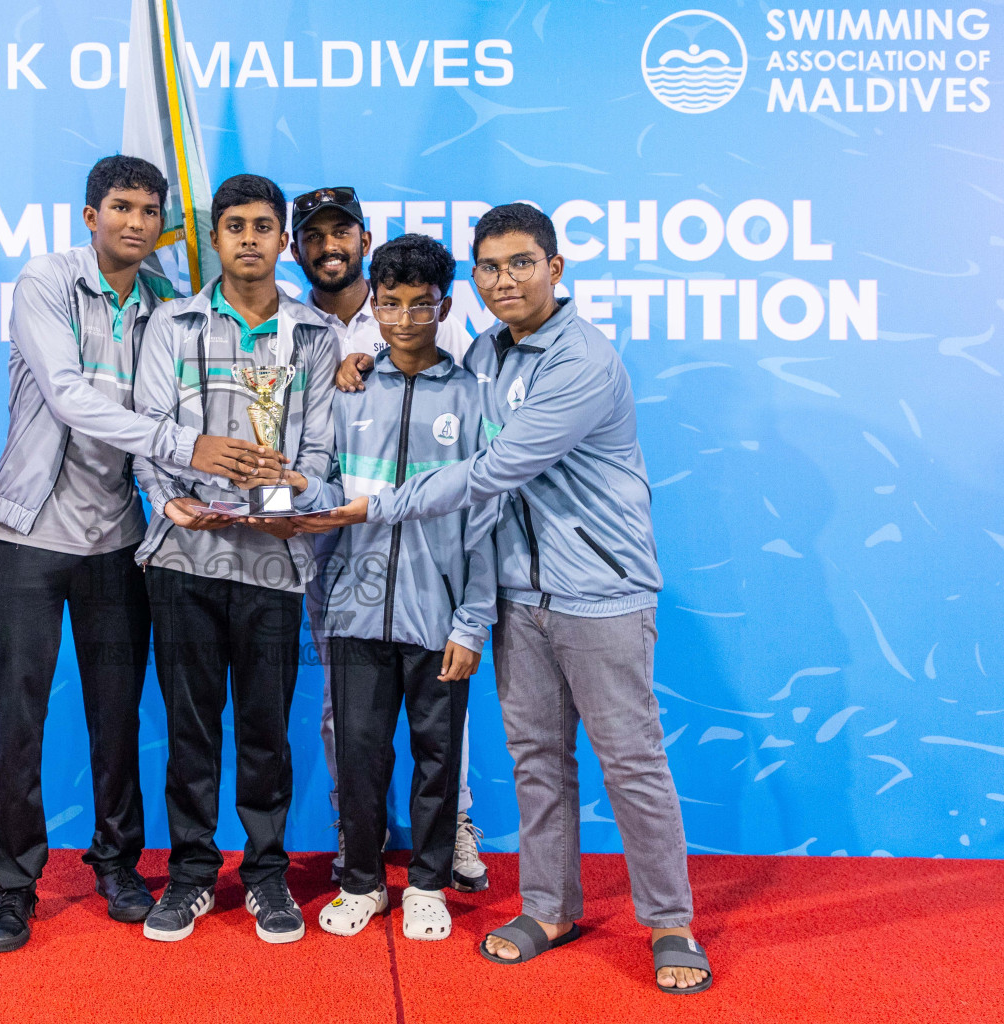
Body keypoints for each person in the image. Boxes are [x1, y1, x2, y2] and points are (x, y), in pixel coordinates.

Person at [311, 203, 711, 993]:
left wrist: (374, 504)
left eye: (521, 263)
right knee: (536, 760)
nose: (504, 280)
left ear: (555, 269)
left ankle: (669, 923)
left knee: (631, 764)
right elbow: (420, 372)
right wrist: (356, 361)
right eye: (490, 266)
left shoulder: (581, 362)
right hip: (520, 592)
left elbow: (493, 471)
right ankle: (548, 907)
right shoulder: (490, 353)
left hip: (601, 591)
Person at [0, 156, 286, 953]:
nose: (137, 223)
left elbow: (186, 396)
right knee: (17, 725)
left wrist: (176, 475)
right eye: (122, 207)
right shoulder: (45, 281)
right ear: (90, 214)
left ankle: (116, 865)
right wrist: (188, 447)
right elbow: (70, 392)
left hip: (118, 539)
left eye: (151, 211)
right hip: (29, 538)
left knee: (117, 720)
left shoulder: (163, 305)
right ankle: (11, 888)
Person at [132, 173, 339, 944]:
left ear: (284, 240)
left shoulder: (313, 337)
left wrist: (294, 493)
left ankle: (265, 875)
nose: (249, 239)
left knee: (264, 731)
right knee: (189, 731)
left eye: (263, 226)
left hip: (274, 565)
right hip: (185, 557)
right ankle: (189, 876)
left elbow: (320, 451)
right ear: (214, 239)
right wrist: (170, 496)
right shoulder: (173, 325)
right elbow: (147, 429)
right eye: (234, 226)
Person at [296, 234, 497, 942]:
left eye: (422, 305)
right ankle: (362, 882)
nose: (405, 319)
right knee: (358, 753)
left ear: (445, 306)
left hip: (439, 616)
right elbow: (325, 481)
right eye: (391, 304)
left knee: (439, 758)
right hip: (353, 609)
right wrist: (292, 494)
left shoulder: (473, 397)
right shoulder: (348, 389)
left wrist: (472, 621)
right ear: (372, 305)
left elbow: (485, 517)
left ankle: (430, 884)